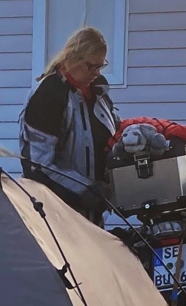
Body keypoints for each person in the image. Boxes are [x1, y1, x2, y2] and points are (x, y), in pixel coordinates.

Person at [18, 26, 120, 219]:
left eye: (101, 66)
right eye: (92, 66)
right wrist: (85, 189)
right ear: (73, 58)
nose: (97, 73)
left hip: (91, 213)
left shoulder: (98, 92)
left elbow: (113, 136)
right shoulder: (49, 94)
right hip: (56, 214)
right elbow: (37, 166)